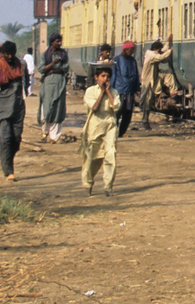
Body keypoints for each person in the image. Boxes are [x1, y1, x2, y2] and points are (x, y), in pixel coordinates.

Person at [79, 61, 119, 196]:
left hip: (110, 125)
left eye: (108, 77)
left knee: (110, 154)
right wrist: (102, 93)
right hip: (95, 125)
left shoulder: (114, 92)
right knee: (92, 157)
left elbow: (116, 107)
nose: (105, 79)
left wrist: (108, 92)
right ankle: (88, 183)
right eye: (102, 76)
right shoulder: (90, 91)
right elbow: (94, 108)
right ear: (96, 78)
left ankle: (108, 187)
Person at [0, 41, 27, 180]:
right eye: (7, 54)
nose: (10, 56)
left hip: (18, 107)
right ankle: (8, 171)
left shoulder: (21, 65)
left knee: (16, 140)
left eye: (12, 53)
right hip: (3, 108)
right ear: (2, 54)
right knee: (5, 139)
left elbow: (26, 83)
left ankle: (8, 160)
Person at [37, 34, 70, 143]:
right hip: (48, 84)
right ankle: (45, 132)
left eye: (60, 41)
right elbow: (41, 69)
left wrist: (52, 70)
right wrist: (53, 64)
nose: (59, 43)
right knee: (47, 109)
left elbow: (65, 68)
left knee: (58, 109)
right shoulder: (44, 55)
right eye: (57, 41)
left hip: (60, 83)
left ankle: (54, 136)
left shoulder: (63, 54)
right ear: (52, 42)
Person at [138, 37, 173, 130]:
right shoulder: (152, 55)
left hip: (151, 79)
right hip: (147, 80)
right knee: (146, 98)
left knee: (148, 99)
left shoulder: (151, 53)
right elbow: (161, 56)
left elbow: (161, 52)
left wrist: (168, 42)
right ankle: (143, 114)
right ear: (156, 49)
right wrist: (170, 51)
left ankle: (145, 117)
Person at [111, 41, 140, 137]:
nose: (131, 52)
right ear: (125, 49)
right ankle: (113, 132)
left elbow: (136, 75)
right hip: (119, 90)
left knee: (127, 114)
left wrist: (137, 88)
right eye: (130, 50)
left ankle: (121, 132)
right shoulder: (117, 60)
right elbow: (114, 75)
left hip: (130, 91)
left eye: (132, 50)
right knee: (118, 112)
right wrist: (111, 89)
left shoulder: (133, 61)